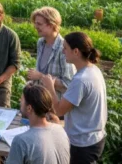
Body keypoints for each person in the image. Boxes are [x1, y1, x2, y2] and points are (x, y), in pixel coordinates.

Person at [42, 32, 107, 163]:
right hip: (94, 138)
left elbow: (59, 110)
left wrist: (50, 86)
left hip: (82, 144)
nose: (63, 51)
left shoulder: (81, 80)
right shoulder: (93, 70)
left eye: (65, 48)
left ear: (76, 51)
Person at [6, 83, 70, 164]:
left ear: (29, 108)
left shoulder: (21, 141)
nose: (19, 101)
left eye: (21, 100)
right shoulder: (61, 130)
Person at [27, 7, 76, 98]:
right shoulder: (41, 43)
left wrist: (40, 77)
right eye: (35, 23)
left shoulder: (63, 48)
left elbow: (68, 85)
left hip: (57, 105)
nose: (35, 26)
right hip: (41, 101)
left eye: (39, 24)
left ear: (51, 25)